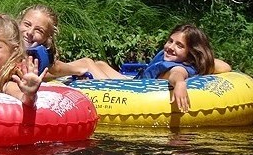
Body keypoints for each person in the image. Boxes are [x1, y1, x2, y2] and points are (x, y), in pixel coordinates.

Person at [73, 24, 232, 112]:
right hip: (134, 82)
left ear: (191, 53)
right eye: (170, 41)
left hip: (130, 92)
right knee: (100, 64)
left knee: (88, 63)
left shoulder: (179, 68)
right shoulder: (185, 61)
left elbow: (176, 74)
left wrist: (181, 84)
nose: (170, 47)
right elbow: (224, 66)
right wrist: (200, 62)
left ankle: (55, 68)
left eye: (179, 45)